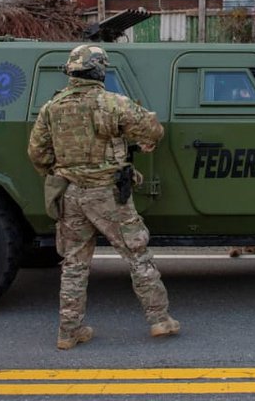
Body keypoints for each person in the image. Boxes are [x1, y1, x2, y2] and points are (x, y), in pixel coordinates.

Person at [27, 44, 180, 350]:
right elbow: (153, 130)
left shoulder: (51, 108)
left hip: (70, 194)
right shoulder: (112, 103)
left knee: (73, 264)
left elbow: (37, 153)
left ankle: (69, 331)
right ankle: (159, 319)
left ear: (71, 72)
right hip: (109, 194)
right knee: (136, 254)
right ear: (99, 70)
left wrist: (62, 172)